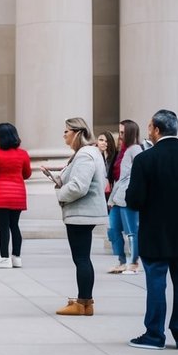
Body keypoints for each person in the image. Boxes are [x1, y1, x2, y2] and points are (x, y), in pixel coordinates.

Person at [125, 109, 178, 349]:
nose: (148, 130)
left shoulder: (145, 159)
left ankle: (154, 334)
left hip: (156, 232)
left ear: (157, 130)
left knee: (156, 284)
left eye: (150, 127)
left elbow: (135, 200)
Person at [41, 118, 108, 314]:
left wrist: (59, 195)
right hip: (82, 213)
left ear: (77, 133)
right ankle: (85, 301)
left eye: (66, 131)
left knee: (81, 259)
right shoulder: (86, 153)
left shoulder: (85, 155)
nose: (64, 135)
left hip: (81, 214)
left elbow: (79, 186)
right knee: (82, 258)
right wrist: (54, 178)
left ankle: (84, 302)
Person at [0, 122, 30, 268]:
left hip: (1, 195)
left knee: (3, 227)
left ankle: (4, 257)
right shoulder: (23, 153)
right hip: (18, 194)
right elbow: (27, 174)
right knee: (14, 226)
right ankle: (16, 257)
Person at [106, 120, 146, 275]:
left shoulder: (135, 149)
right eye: (119, 132)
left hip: (128, 197)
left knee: (131, 231)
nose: (120, 135)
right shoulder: (122, 150)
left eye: (123, 132)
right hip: (118, 196)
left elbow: (137, 174)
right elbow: (119, 177)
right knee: (113, 229)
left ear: (130, 133)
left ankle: (134, 262)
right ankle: (122, 261)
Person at [97, 130, 117, 200]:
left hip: (112, 191)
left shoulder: (115, 155)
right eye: (101, 140)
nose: (103, 143)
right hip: (99, 189)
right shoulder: (95, 154)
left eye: (106, 141)